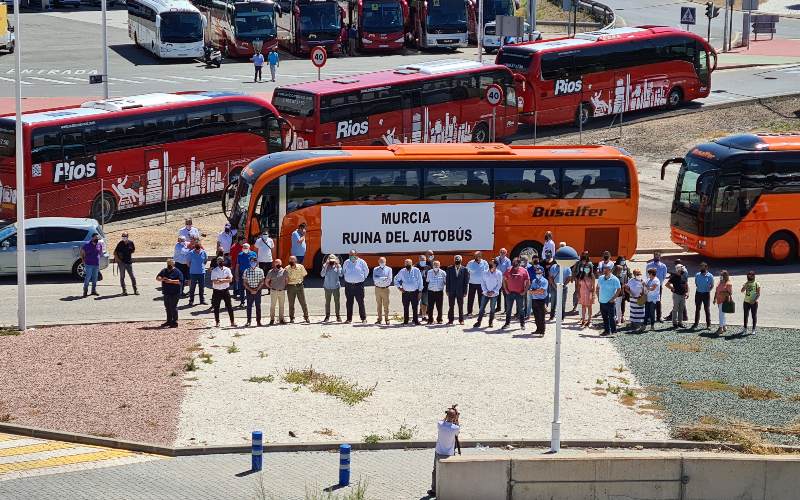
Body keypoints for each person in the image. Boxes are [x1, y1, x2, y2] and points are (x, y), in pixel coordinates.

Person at [427, 405, 460, 498]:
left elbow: (443, 420)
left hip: (439, 451)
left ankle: (434, 489)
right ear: (454, 417)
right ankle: (448, 488)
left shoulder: (440, 425)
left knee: (435, 470)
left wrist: (449, 414)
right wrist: (456, 417)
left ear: (446, 416)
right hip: (449, 454)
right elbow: (457, 431)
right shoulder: (455, 428)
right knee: (449, 471)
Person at [502, 258, 530, 330]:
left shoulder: (524, 270)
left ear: (519, 263)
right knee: (508, 309)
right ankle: (507, 323)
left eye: (516, 263)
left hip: (519, 294)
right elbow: (504, 280)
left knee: (521, 309)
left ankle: (522, 324)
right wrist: (506, 290)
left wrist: (525, 291)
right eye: (513, 262)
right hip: (510, 293)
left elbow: (528, 282)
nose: (514, 264)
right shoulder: (508, 269)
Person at [343, 249, 369, 323]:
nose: (351, 256)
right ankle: (349, 319)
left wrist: (363, 278)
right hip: (349, 285)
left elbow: (366, 271)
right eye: (350, 255)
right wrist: (349, 278)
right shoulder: (346, 262)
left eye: (353, 255)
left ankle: (363, 318)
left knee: (360, 302)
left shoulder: (361, 262)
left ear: (356, 255)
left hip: (359, 285)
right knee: (349, 302)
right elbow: (344, 271)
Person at [473, 260, 502, 328]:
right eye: (490, 262)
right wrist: (486, 291)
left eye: (492, 263)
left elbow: (499, 284)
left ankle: (490, 322)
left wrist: (493, 291)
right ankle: (479, 321)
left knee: (492, 309)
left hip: (494, 294)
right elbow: (482, 283)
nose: (490, 263)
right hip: (485, 293)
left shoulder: (499, 273)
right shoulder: (484, 272)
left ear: (495, 265)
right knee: (482, 308)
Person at [395, 258, 424, 325]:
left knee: (415, 307)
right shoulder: (402, 271)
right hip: (405, 293)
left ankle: (415, 320)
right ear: (404, 264)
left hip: (415, 292)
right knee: (406, 307)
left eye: (408, 263)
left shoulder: (416, 270)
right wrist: (399, 287)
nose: (407, 264)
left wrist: (420, 291)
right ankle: (406, 320)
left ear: (411, 263)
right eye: (406, 263)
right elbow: (396, 279)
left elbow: (420, 281)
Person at [210, 256, 236, 328]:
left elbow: (230, 280)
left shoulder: (227, 269)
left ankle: (232, 322)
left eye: (221, 261)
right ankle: (217, 322)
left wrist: (221, 280)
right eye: (219, 261)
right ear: (217, 262)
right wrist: (225, 279)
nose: (220, 262)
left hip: (225, 290)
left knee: (229, 306)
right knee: (216, 307)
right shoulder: (214, 270)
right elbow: (215, 282)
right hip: (217, 291)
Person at [156, 258, 183, 328]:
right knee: (167, 307)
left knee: (173, 307)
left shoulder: (177, 272)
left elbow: (180, 281)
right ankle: (169, 321)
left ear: (173, 264)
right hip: (166, 292)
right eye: (168, 264)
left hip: (175, 292)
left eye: (170, 264)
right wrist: (161, 279)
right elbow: (157, 277)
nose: (169, 265)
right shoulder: (164, 271)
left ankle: (175, 322)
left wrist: (171, 281)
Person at [596, 266, 621, 336]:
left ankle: (614, 332)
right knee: (604, 317)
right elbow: (597, 288)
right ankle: (607, 331)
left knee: (611, 318)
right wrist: (598, 297)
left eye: (606, 270)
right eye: (604, 269)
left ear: (610, 270)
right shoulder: (601, 278)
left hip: (610, 302)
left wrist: (613, 299)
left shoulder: (615, 279)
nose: (604, 271)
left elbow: (619, 289)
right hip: (602, 301)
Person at [445, 255, 470, 325]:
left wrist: (465, 291)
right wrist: (447, 290)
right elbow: (447, 280)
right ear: (454, 260)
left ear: (461, 261)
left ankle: (461, 320)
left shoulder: (465, 269)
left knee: (460, 306)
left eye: (458, 260)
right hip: (451, 290)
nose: (457, 261)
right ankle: (450, 320)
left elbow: (466, 281)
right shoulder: (449, 268)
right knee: (451, 306)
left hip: (460, 291)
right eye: (456, 260)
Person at [243, 255, 265, 327]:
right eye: (252, 261)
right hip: (249, 291)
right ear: (249, 262)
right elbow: (245, 282)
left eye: (255, 261)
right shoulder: (246, 271)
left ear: (257, 262)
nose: (253, 262)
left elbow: (262, 282)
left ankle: (258, 321)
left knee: (258, 306)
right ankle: (248, 321)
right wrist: (251, 290)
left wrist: (256, 289)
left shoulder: (260, 271)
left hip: (257, 291)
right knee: (249, 306)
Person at [645, 251, 668, 322]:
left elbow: (664, 276)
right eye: (656, 255)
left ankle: (659, 317)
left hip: (658, 287)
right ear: (653, 256)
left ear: (660, 256)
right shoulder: (649, 265)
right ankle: (649, 316)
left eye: (658, 256)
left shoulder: (663, 266)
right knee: (649, 301)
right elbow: (647, 275)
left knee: (658, 301)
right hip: (650, 286)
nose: (657, 257)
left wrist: (659, 283)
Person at [286, 255, 309, 323]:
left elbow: (304, 274)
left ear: (296, 260)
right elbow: (286, 279)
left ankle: (306, 316)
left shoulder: (301, 267)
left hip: (299, 286)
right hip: (291, 286)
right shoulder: (286, 269)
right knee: (291, 303)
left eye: (293, 260)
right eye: (290, 260)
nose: (291, 261)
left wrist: (300, 281)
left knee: (303, 302)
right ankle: (291, 318)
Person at [548, 256, 572, 321]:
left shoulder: (567, 267)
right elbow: (550, 277)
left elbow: (569, 278)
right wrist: (554, 286)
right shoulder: (553, 267)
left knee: (562, 302)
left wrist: (563, 285)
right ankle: (552, 316)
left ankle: (562, 317)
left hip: (563, 288)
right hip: (554, 287)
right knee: (553, 302)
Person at [320, 254, 343, 322]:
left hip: (335, 287)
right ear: (328, 260)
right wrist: (326, 266)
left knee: (337, 302)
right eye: (330, 261)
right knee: (327, 302)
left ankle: (338, 316)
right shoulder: (325, 266)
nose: (332, 262)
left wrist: (338, 267)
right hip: (327, 287)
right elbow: (322, 275)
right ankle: (327, 316)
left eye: (333, 260)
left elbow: (341, 275)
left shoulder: (338, 266)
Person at [666, 264, 689, 328]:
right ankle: (674, 323)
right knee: (675, 309)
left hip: (683, 295)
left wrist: (687, 292)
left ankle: (680, 323)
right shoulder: (674, 276)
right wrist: (672, 288)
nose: (683, 270)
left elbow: (686, 285)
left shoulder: (684, 276)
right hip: (676, 295)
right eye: (682, 268)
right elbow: (667, 284)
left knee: (681, 309)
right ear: (678, 269)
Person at [266, 259, 288, 324]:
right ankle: (272, 319)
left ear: (281, 264)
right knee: (273, 306)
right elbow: (266, 281)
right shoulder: (271, 272)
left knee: (282, 306)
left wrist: (284, 287)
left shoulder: (284, 271)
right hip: (274, 291)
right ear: (274, 264)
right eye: (276, 263)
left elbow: (286, 280)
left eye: (278, 263)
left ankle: (281, 319)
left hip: (282, 291)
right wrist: (270, 287)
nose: (277, 264)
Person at [692, 262, 714, 330]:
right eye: (701, 266)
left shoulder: (710, 276)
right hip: (698, 293)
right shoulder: (697, 275)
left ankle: (708, 324)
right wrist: (700, 288)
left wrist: (707, 290)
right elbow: (696, 283)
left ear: (706, 267)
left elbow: (712, 285)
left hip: (706, 294)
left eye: (703, 267)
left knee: (706, 309)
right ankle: (696, 323)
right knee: (697, 309)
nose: (701, 268)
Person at [80, 233, 103, 297]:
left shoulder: (99, 244)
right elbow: (82, 252)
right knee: (88, 277)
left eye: (97, 238)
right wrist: (83, 260)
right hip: (88, 264)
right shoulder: (87, 245)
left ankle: (93, 290)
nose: (97, 239)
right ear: (92, 238)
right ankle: (85, 291)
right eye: (95, 237)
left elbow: (100, 252)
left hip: (96, 264)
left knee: (95, 278)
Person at [466, 251, 488, 316]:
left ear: (481, 256)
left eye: (478, 256)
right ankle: (469, 312)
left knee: (481, 298)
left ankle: (482, 311)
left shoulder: (484, 263)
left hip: (481, 284)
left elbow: (487, 273)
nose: (476, 257)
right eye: (475, 256)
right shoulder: (470, 263)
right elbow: (467, 272)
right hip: (472, 283)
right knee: (470, 298)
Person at [529, 266, 549, 335]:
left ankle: (542, 331)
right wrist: (537, 291)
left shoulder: (545, 281)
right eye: (537, 272)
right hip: (534, 300)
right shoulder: (534, 281)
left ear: (542, 273)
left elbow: (542, 291)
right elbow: (530, 291)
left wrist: (535, 291)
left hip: (541, 300)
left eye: (539, 272)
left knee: (541, 317)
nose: (538, 274)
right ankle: (538, 329)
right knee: (536, 316)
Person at [372, 257, 393, 325]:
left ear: (385, 262)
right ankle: (379, 319)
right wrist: (383, 278)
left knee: (386, 305)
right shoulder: (375, 269)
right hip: (377, 289)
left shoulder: (389, 269)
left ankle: (387, 319)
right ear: (378, 261)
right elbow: (375, 279)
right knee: (379, 305)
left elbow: (389, 279)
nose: (382, 263)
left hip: (385, 289)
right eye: (380, 262)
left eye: (383, 262)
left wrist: (379, 279)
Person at [236, 243, 257, 308]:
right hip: (242, 273)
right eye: (243, 247)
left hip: (251, 273)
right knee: (241, 289)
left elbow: (256, 264)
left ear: (249, 248)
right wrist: (236, 274)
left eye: (246, 248)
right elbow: (237, 265)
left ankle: (251, 302)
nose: (244, 249)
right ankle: (242, 302)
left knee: (250, 288)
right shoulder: (240, 255)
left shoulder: (253, 254)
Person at [426, 260, 446, 324]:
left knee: (439, 307)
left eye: (437, 265)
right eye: (435, 265)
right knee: (430, 307)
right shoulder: (429, 272)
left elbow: (445, 282)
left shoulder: (443, 273)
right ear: (433, 265)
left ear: (439, 265)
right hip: (431, 292)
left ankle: (439, 319)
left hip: (439, 292)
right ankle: (430, 320)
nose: (436, 266)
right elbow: (427, 281)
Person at [577, 259, 595, 328]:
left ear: (590, 269)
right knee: (583, 306)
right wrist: (578, 293)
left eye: (588, 268)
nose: (586, 269)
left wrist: (593, 295)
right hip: (582, 293)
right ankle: (583, 320)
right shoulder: (581, 275)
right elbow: (578, 285)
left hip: (589, 293)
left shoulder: (592, 276)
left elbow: (593, 286)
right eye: (585, 268)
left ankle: (589, 320)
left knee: (589, 307)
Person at [714, 270, 733, 335]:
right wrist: (715, 298)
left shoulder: (728, 283)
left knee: (721, 315)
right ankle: (724, 326)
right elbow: (716, 290)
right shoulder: (720, 282)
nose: (720, 276)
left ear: (725, 276)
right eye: (720, 275)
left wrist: (722, 293)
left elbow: (730, 293)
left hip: (724, 301)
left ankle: (720, 328)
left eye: (722, 275)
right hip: (719, 300)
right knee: (723, 314)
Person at [741, 270, 760, 335]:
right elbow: (742, 291)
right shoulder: (747, 283)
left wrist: (754, 300)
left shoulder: (757, 284)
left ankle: (753, 329)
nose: (749, 277)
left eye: (751, 276)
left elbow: (758, 294)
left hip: (754, 302)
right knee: (745, 315)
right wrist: (745, 285)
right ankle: (745, 328)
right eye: (748, 276)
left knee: (753, 316)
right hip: (746, 301)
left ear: (754, 276)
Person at [613, 257, 630, 325]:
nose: (623, 262)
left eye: (624, 260)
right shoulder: (615, 267)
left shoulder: (626, 268)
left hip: (624, 288)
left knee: (622, 303)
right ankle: (616, 317)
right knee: (616, 304)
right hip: (616, 289)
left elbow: (629, 275)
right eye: (621, 260)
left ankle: (622, 316)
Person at [494, 248, 511, 313]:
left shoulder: (508, 260)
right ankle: (498, 307)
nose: (502, 253)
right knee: (497, 294)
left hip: (504, 279)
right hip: (497, 279)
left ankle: (506, 309)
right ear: (499, 252)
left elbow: (508, 270)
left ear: (506, 253)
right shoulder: (496, 259)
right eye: (501, 252)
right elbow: (494, 267)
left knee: (505, 294)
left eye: (503, 252)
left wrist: (506, 278)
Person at [417, 254, 430, 321]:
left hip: (425, 288)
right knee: (415, 303)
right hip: (417, 289)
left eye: (424, 260)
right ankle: (415, 317)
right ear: (419, 260)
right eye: (421, 260)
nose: (423, 261)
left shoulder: (428, 267)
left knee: (424, 303)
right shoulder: (415, 267)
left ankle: (423, 316)